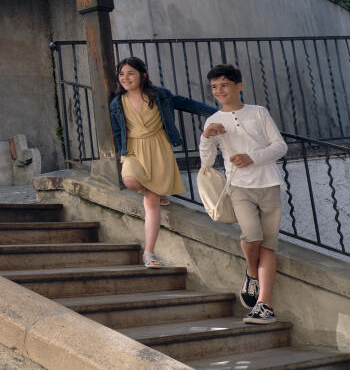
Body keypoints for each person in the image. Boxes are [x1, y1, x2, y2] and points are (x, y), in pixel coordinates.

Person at [199, 63, 287, 325]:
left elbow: (279, 146)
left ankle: (264, 305)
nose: (219, 90)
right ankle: (251, 272)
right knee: (252, 236)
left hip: (269, 184)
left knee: (268, 244)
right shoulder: (213, 120)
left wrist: (252, 158)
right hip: (239, 188)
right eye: (214, 87)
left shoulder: (258, 112)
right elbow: (206, 161)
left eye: (224, 85)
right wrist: (206, 137)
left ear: (239, 86)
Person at [110, 56, 216, 268]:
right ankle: (156, 194)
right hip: (133, 150)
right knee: (129, 179)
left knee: (151, 201)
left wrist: (218, 113)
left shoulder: (159, 95)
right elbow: (117, 131)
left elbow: (186, 104)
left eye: (131, 73)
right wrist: (121, 152)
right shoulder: (117, 104)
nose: (125, 78)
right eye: (122, 74)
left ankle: (149, 253)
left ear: (143, 75)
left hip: (158, 149)